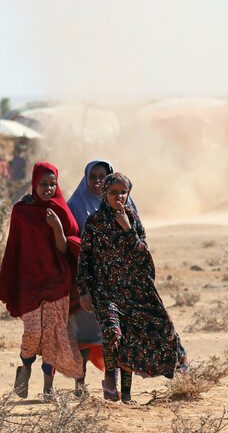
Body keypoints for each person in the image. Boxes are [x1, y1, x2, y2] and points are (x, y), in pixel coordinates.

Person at [76, 172, 188, 402]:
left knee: (130, 340)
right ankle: (109, 379)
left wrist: (127, 228)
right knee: (112, 334)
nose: (118, 197)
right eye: (113, 192)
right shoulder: (94, 222)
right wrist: (84, 292)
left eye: (123, 192)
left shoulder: (133, 219)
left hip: (133, 290)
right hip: (105, 290)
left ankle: (125, 394)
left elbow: (143, 257)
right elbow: (84, 259)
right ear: (105, 194)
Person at [0, 162, 83, 399]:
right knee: (33, 333)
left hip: (57, 284)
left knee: (52, 337)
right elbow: (13, 246)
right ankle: (25, 368)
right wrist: (9, 281)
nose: (47, 188)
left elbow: (66, 246)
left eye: (52, 184)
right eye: (43, 184)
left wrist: (57, 226)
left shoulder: (61, 210)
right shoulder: (21, 211)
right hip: (30, 284)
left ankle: (48, 388)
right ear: (34, 184)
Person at [66, 160, 139, 397]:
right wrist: (84, 289)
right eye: (93, 177)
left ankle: (118, 389)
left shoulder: (130, 213)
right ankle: (81, 384)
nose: (97, 182)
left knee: (120, 338)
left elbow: (141, 250)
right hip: (93, 285)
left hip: (124, 286)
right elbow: (79, 252)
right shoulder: (76, 207)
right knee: (86, 338)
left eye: (102, 177)